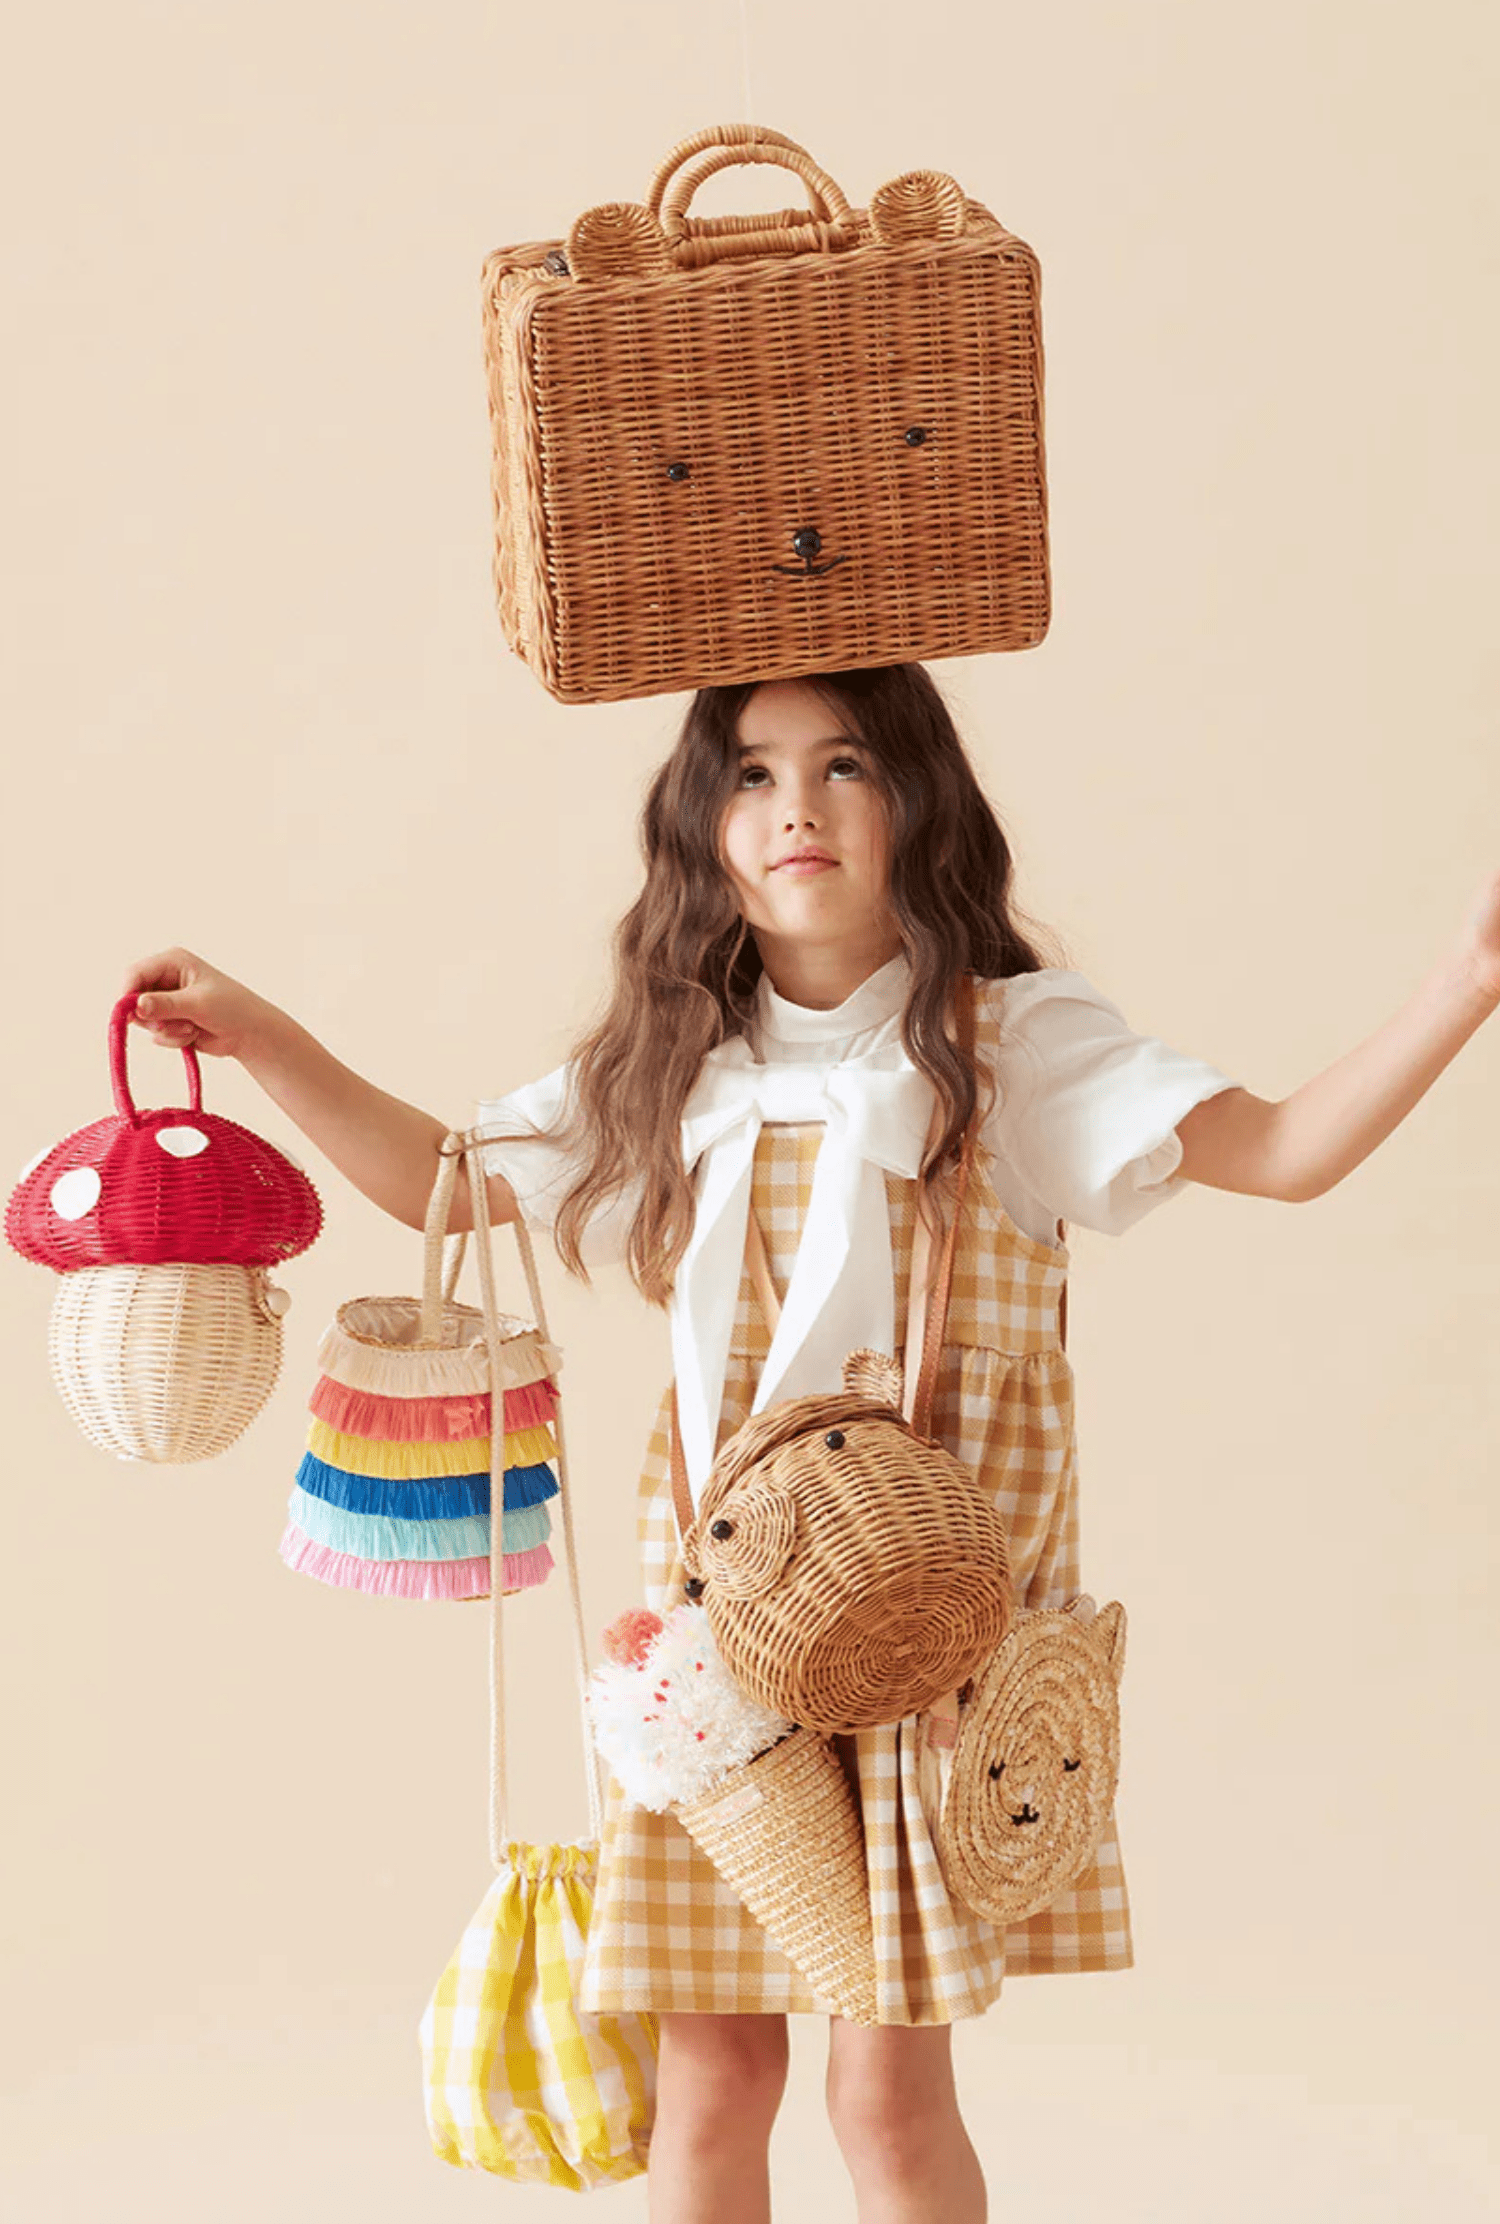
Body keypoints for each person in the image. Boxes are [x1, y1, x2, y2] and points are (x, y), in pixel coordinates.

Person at [122, 662, 1499, 2224]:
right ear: (702, 829)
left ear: (920, 802)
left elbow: (1282, 1148)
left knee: (885, 2097)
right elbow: (452, 1181)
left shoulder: (1012, 1046)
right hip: (722, 1645)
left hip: (927, 1638)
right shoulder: (673, 1059)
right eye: (752, 772)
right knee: (711, 2076)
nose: (796, 807)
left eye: (843, 765)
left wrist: (1467, 976)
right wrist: (262, 1034)